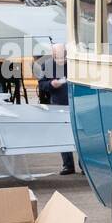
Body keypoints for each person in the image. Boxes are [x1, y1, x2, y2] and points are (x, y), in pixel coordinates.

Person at [38, 43, 76, 175]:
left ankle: (83, 166)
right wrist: (51, 84)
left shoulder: (73, 63)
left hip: (76, 102)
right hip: (58, 102)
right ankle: (68, 165)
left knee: (79, 133)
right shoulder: (47, 65)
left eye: (63, 56)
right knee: (63, 134)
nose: (61, 59)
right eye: (58, 56)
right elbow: (41, 84)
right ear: (53, 55)